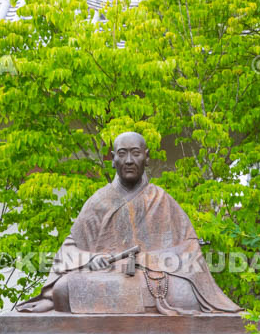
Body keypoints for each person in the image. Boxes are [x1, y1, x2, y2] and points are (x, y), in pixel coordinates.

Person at [17, 132, 240, 315]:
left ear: (147, 157)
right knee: (63, 289)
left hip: (151, 277)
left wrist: (147, 260)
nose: (129, 161)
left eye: (136, 153)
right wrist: (93, 259)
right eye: (122, 154)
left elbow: (190, 249)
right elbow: (68, 249)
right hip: (107, 277)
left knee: (185, 294)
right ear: (113, 159)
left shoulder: (161, 199)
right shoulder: (99, 201)